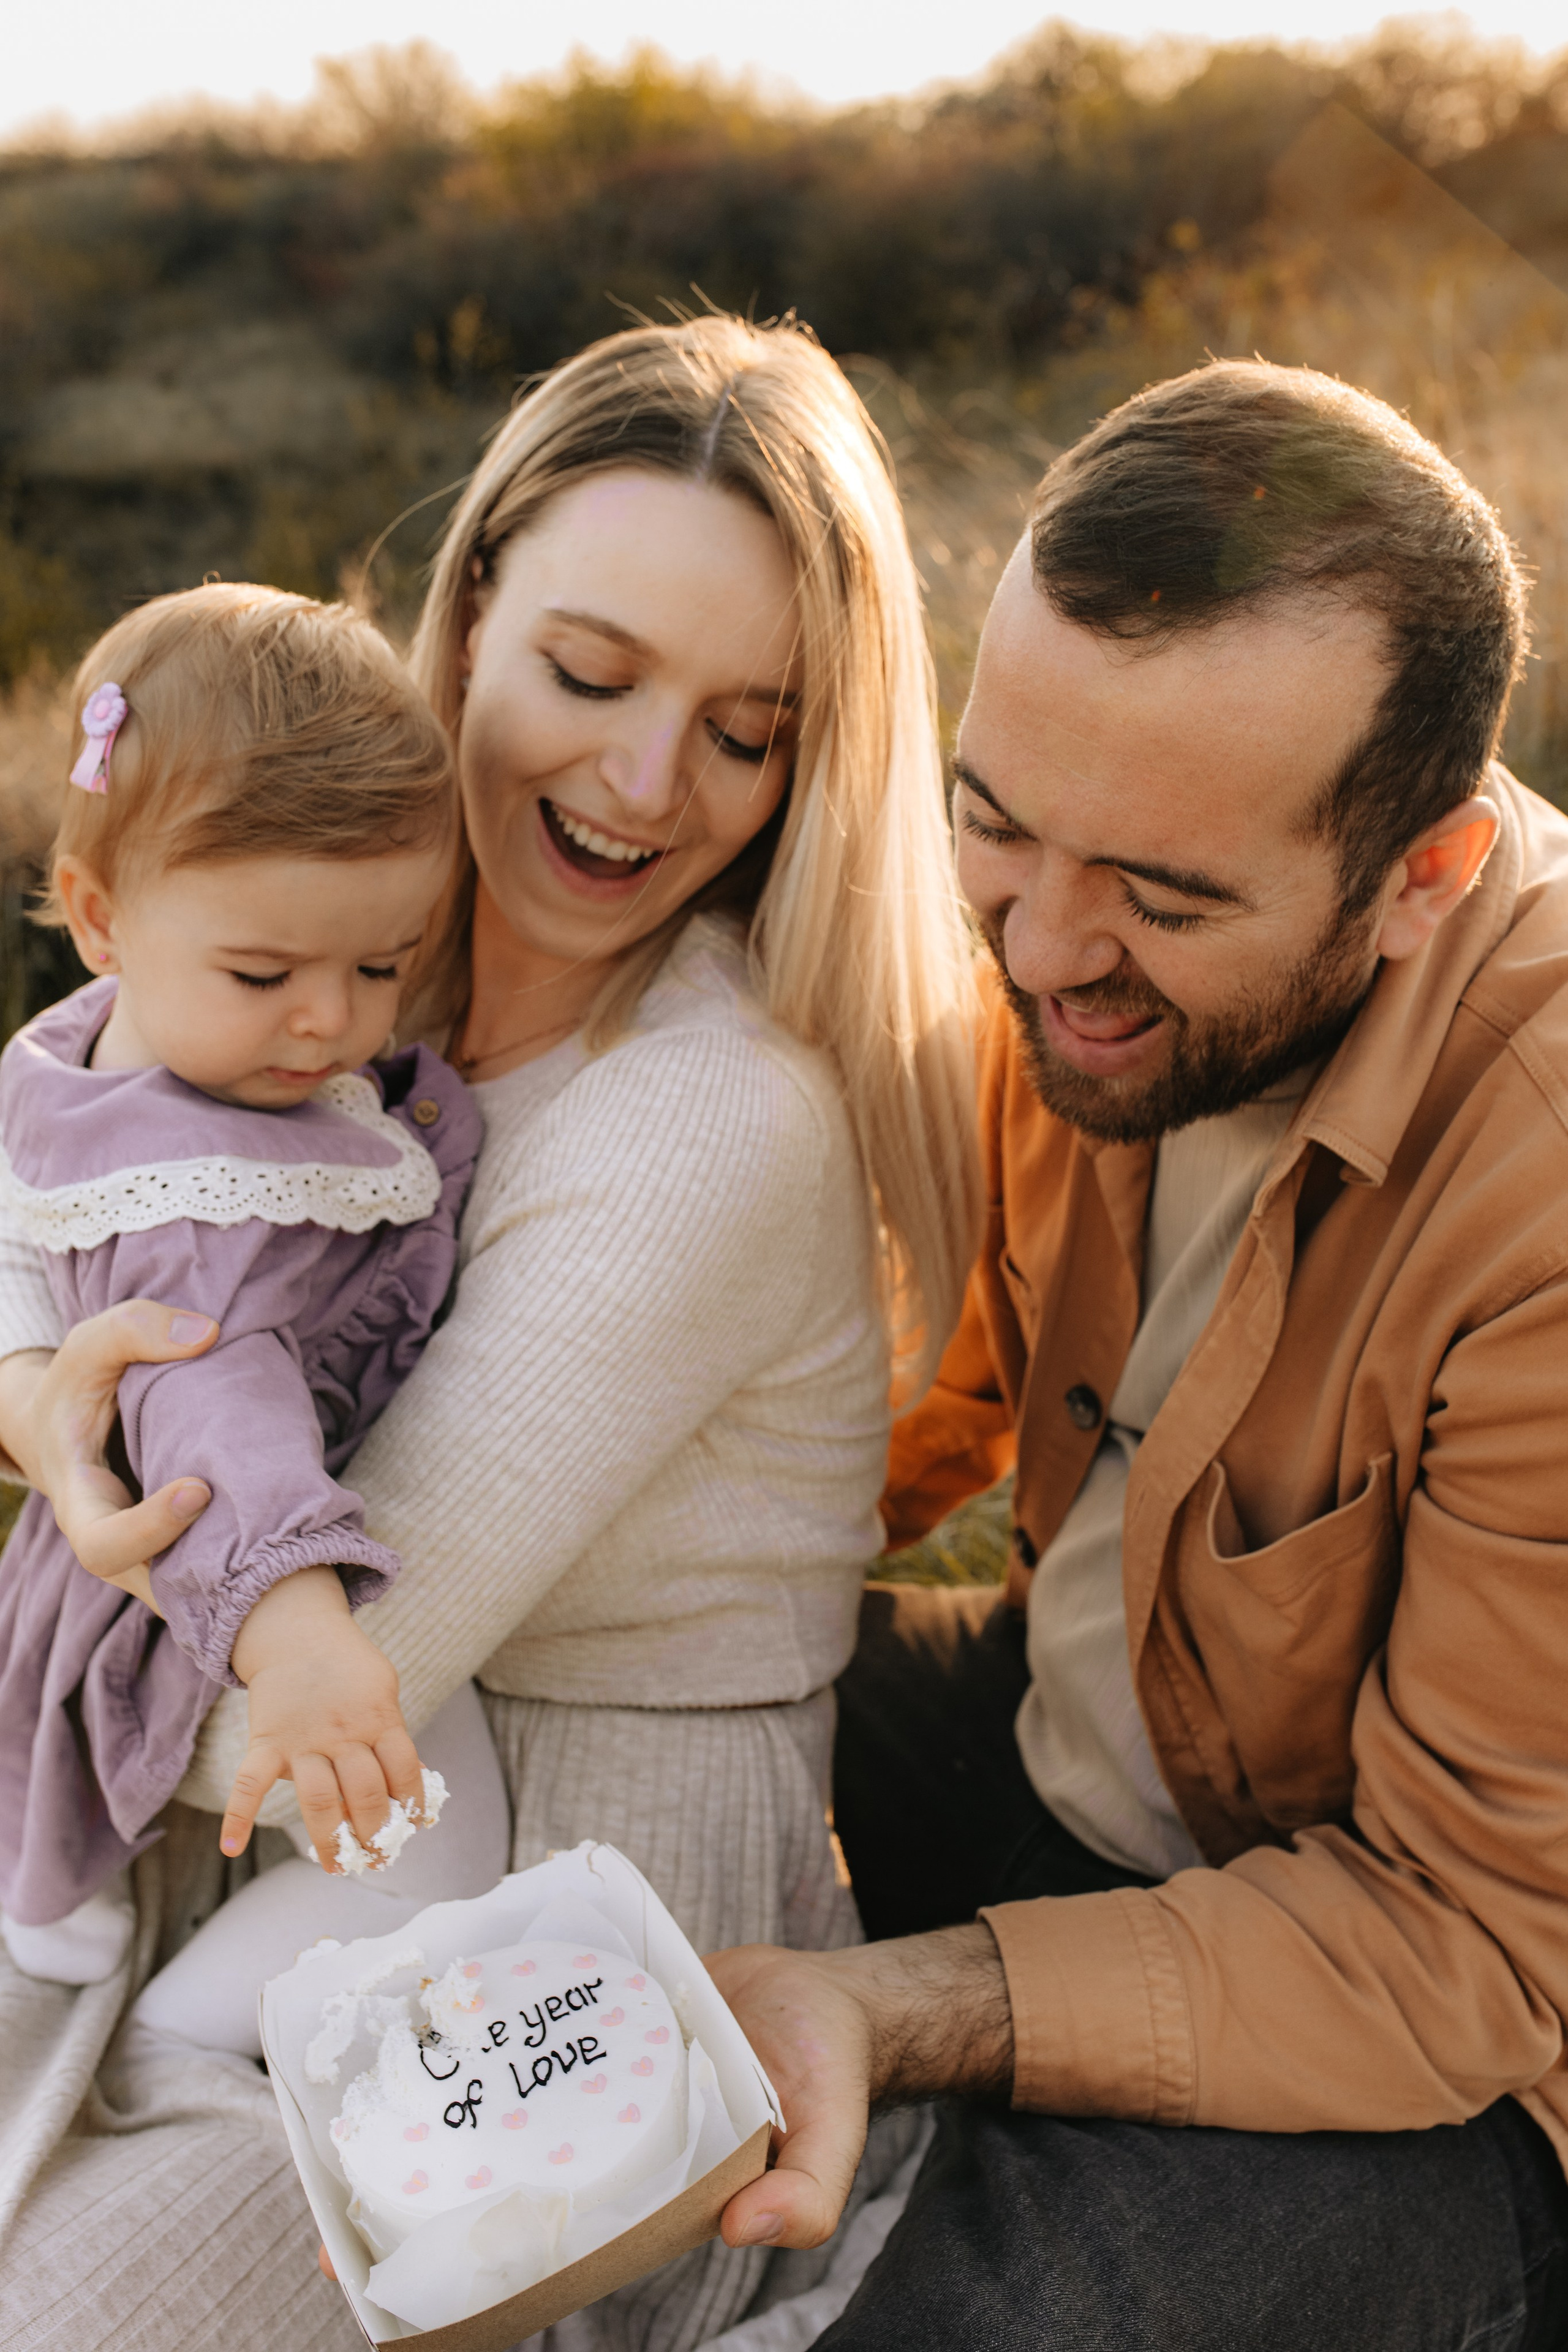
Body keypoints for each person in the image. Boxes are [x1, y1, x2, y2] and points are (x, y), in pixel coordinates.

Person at [0, 315, 979, 2352]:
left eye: (746, 731)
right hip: (266, 1858)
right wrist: (40, 1409)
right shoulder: (341, 976)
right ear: (469, 611)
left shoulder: (708, 1115)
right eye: (591, 676)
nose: (643, 784)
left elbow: (280, 1721)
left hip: (569, 1929)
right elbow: (64, 1217)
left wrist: (89, 1484)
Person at [703, 360, 1568, 2349]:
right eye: (996, 825)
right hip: (1065, 1740)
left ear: (1423, 879)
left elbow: (1466, 1938)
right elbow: (935, 1403)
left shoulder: (1542, 1191)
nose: (1033, 954)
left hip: (1442, 2032)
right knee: (566, 1721)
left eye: (1165, 898)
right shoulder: (1091, 971)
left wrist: (892, 2005)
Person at [0, 582, 508, 2003]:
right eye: (265, 971)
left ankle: (59, 1908)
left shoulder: (95, 1045)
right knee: (436, 1858)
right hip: (246, 1558)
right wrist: (301, 1649)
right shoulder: (200, 1208)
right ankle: (184, 2037)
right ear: (98, 918)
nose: (330, 1020)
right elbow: (212, 1414)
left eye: (382, 963)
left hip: (207, 1539)